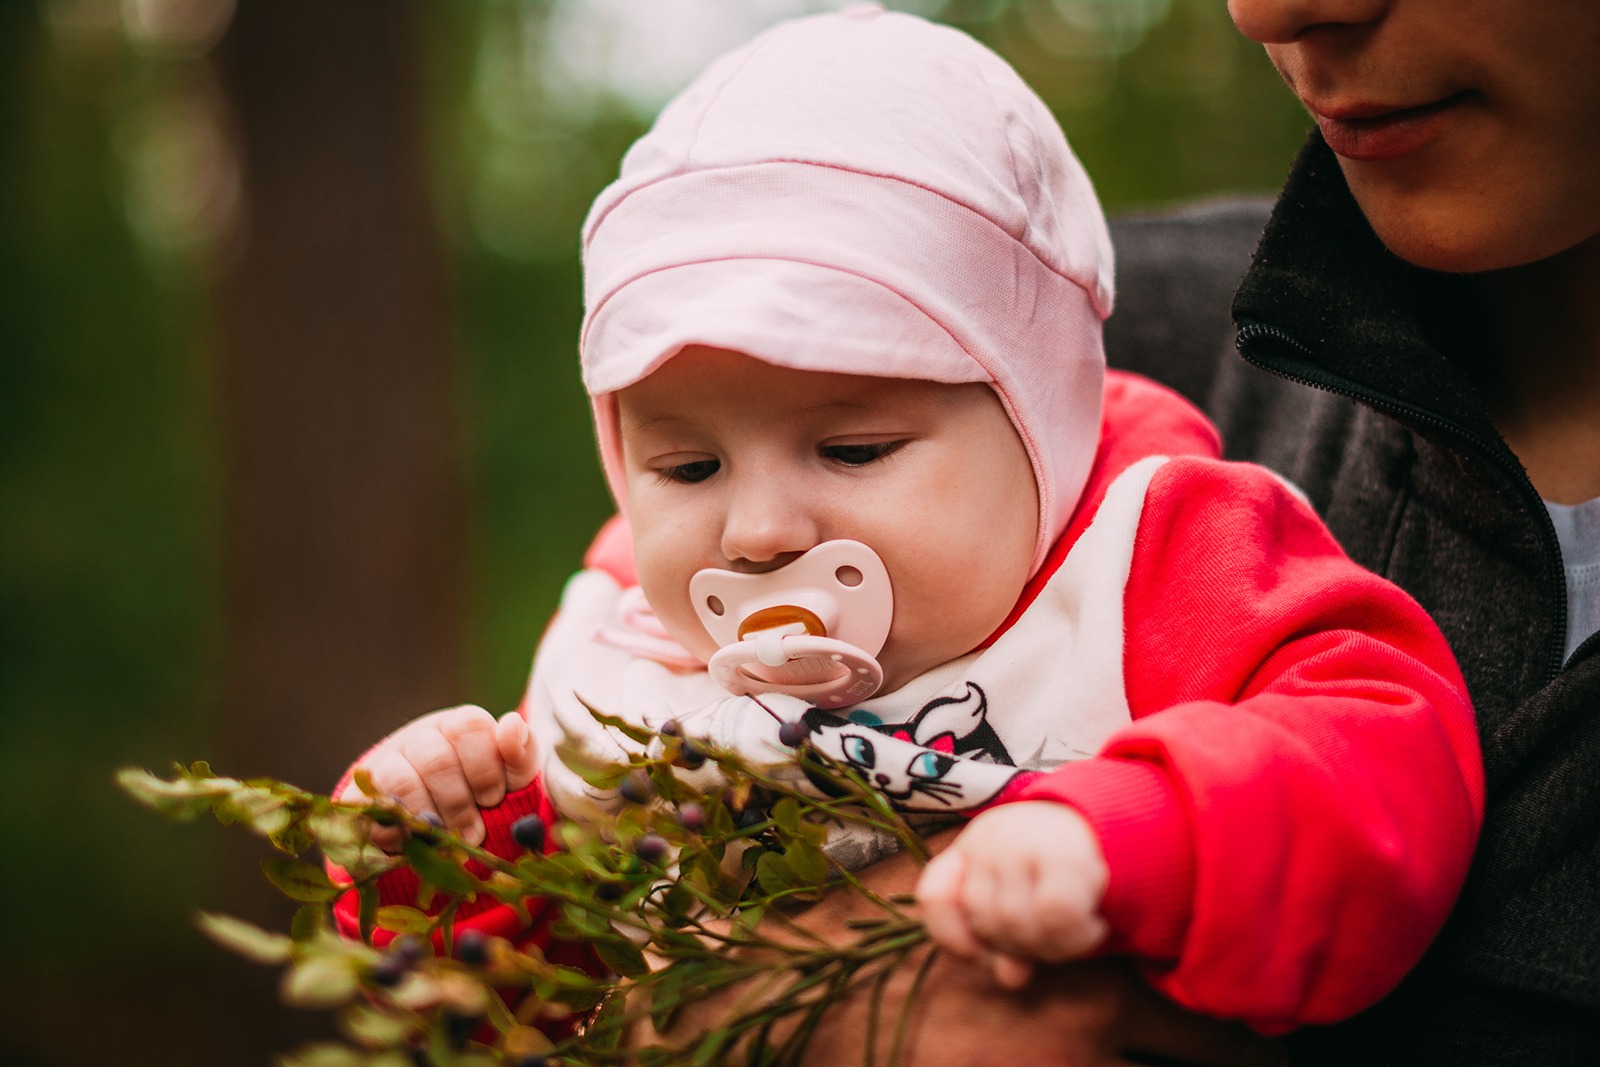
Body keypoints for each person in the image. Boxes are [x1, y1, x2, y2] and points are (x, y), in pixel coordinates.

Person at [332, 5, 1484, 1043]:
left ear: (1043, 424)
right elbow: (526, 1006)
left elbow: (1383, 753)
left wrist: (1134, 834)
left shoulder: (1153, 561)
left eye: (854, 449)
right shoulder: (629, 645)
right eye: (687, 465)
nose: (761, 528)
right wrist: (445, 858)